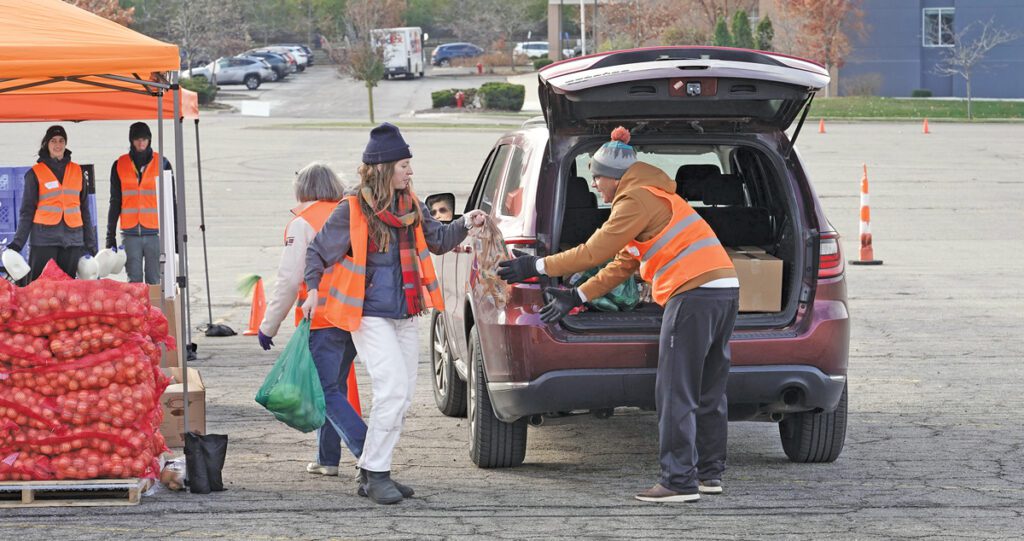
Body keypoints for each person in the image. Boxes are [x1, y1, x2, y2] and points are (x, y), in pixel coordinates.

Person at [497, 127, 739, 503]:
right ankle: (709, 474)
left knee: (676, 389)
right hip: (723, 290)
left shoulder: (634, 200)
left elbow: (594, 252)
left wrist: (537, 265)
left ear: (614, 177)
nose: (594, 185)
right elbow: (621, 264)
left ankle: (678, 481)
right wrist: (575, 294)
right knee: (708, 388)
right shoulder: (654, 197)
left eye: (596, 177)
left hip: (692, 293)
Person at [302, 123, 486, 505]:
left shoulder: (411, 206)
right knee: (391, 389)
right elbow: (318, 252)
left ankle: (372, 470)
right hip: (368, 314)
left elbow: (438, 240)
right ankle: (376, 472)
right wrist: (313, 291)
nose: (411, 171)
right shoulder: (351, 208)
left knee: (402, 398)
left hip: (405, 313)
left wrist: (467, 222)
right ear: (384, 167)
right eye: (404, 165)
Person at [256, 162, 367, 479]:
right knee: (334, 388)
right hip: (352, 315)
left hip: (322, 318)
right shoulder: (350, 212)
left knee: (325, 389)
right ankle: (327, 458)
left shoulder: (302, 222)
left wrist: (268, 326)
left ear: (303, 189)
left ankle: (369, 452)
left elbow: (289, 280)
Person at [6, 125, 97, 282]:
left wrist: (90, 245)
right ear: (46, 144)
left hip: (73, 240)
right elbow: (27, 211)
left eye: (61, 140)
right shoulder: (35, 173)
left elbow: (84, 211)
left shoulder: (77, 172)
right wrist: (17, 243)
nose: (58, 145)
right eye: (53, 141)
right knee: (40, 288)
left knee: (66, 290)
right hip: (44, 240)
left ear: (65, 143)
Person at [106, 122, 173, 284]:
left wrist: (174, 238)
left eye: (144, 139)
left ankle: (155, 310)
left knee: (154, 281)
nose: (141, 143)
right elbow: (115, 201)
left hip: (155, 234)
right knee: (134, 282)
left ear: (149, 140)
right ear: (131, 140)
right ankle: (139, 310)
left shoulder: (162, 163)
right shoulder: (119, 165)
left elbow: (172, 202)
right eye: (137, 139)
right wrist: (110, 236)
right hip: (130, 234)